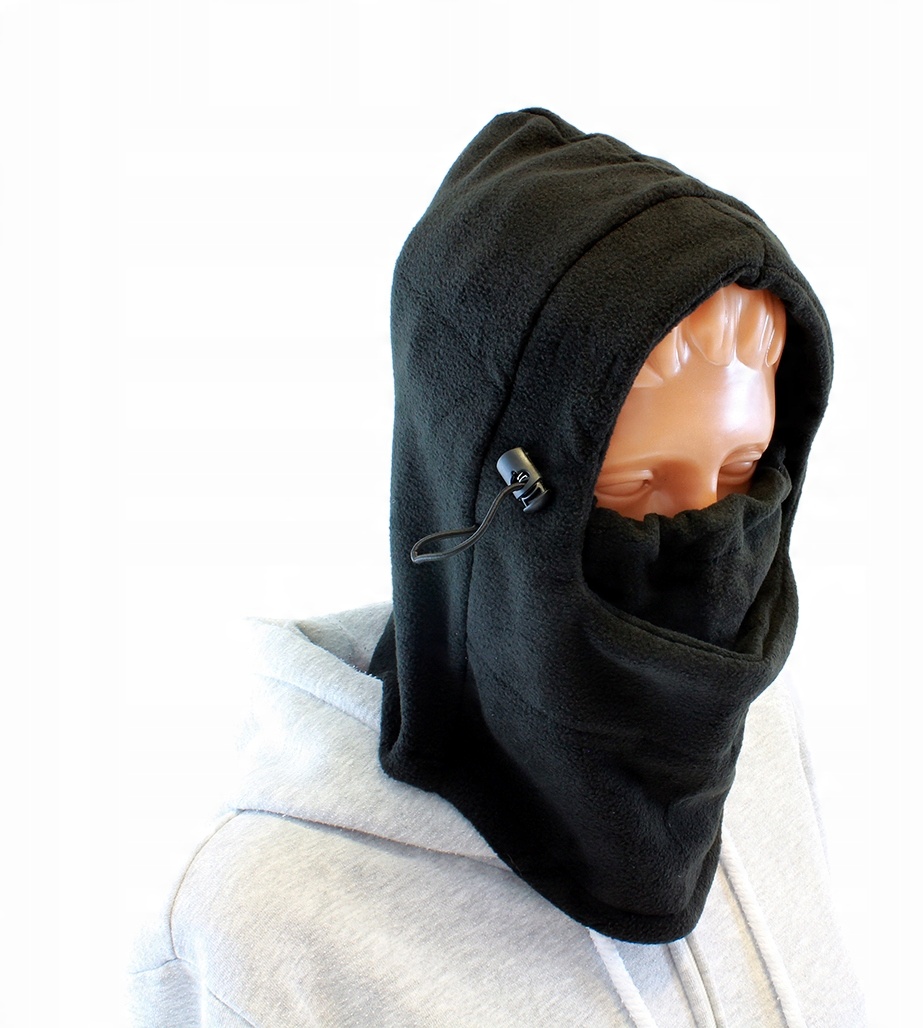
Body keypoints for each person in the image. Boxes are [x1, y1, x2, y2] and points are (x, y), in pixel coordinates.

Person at [129, 107, 867, 1027]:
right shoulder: (258, 928)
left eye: (741, 475)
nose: (712, 541)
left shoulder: (756, 738)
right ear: (485, 493)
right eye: (639, 490)